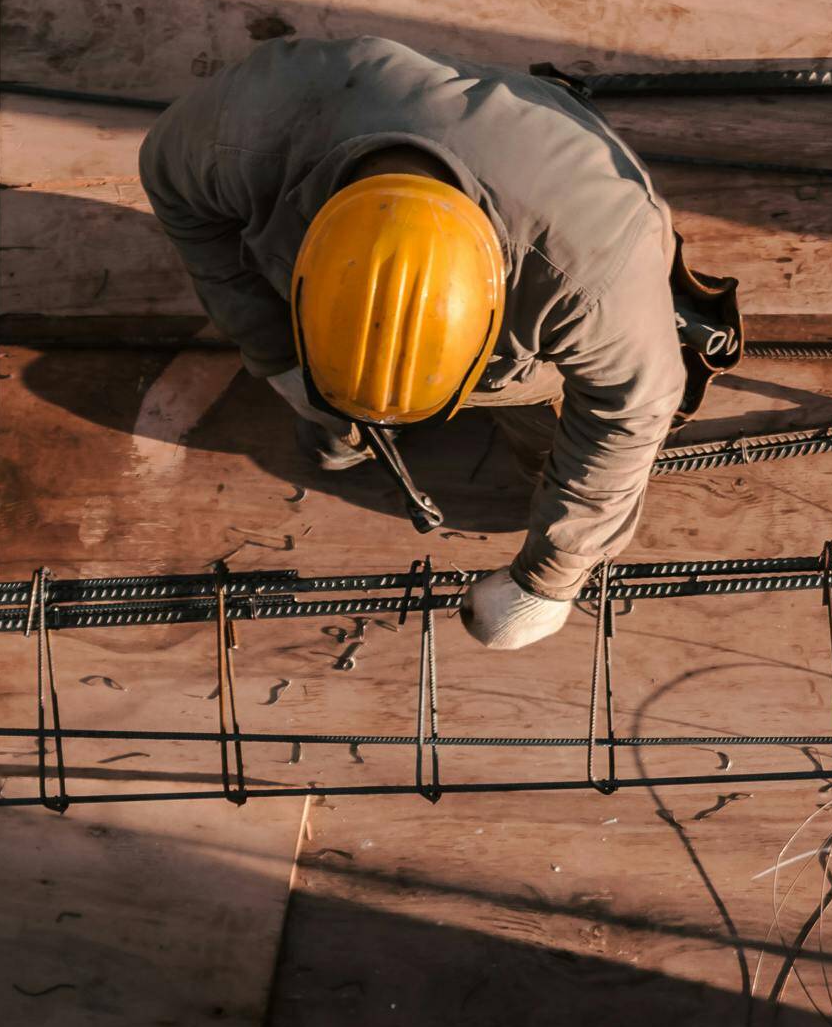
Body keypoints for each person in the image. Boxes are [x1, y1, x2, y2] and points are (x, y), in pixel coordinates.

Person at [139, 36, 734, 649]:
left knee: (554, 458)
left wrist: (549, 578)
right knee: (326, 420)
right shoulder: (244, 130)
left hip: (538, 340)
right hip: (320, 282)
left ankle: (512, 442)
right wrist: (278, 353)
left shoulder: (594, 268)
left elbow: (632, 408)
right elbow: (179, 198)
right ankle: (339, 415)